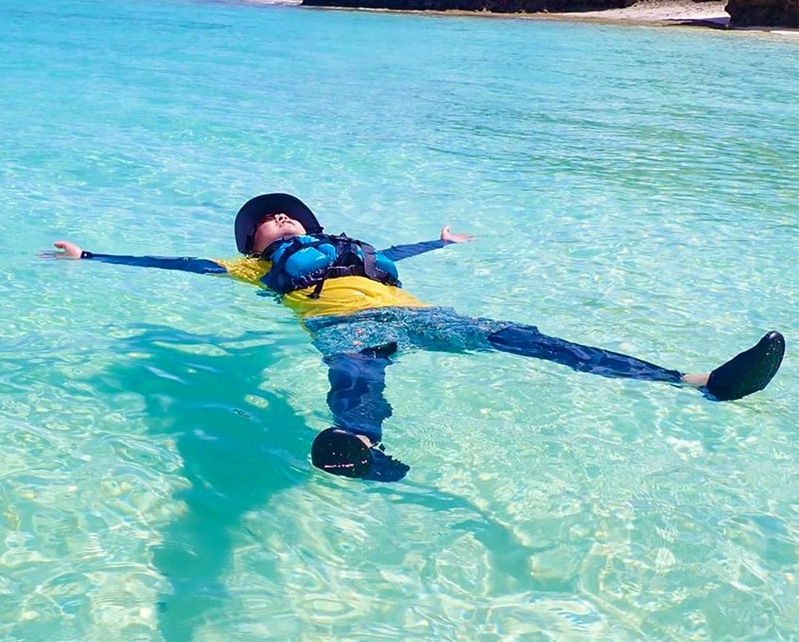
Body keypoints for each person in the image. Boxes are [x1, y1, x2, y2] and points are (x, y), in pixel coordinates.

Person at [46, 192, 786, 482]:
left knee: (528, 338)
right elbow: (180, 263)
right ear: (254, 240)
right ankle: (356, 449)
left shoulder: (354, 247)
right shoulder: (252, 269)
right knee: (357, 381)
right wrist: (95, 256)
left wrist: (438, 243)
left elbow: (398, 253)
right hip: (337, 323)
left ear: (306, 222)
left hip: (413, 313)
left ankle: (698, 383)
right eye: (265, 221)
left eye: (284, 216)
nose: (277, 221)